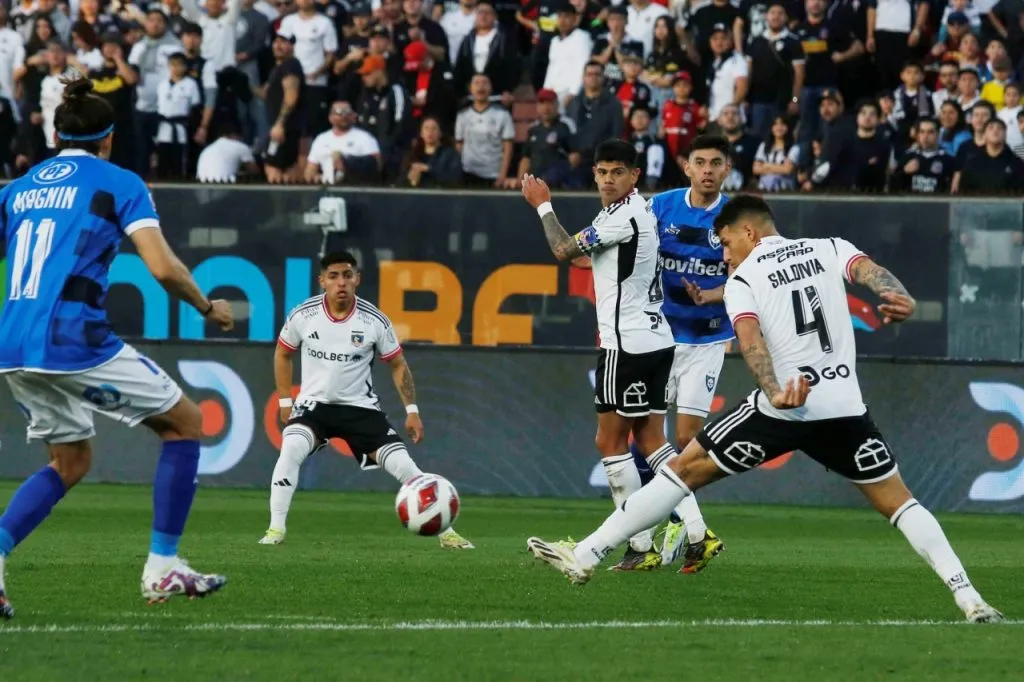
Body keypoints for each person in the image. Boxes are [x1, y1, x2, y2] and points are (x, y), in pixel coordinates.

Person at [526, 194, 1005, 625]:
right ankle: (969, 597)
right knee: (900, 502)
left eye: (726, 241)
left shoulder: (744, 278)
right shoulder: (830, 247)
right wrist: (897, 296)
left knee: (681, 469)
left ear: (749, 232)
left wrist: (775, 391)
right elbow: (873, 275)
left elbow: (751, 345)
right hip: (843, 408)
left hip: (783, 408)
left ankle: (587, 554)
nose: (723, 253)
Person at [0, 76, 235, 619]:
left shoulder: (18, 187)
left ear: (55, 135)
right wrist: (207, 307)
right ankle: (163, 567)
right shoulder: (118, 182)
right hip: (72, 339)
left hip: (13, 344)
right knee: (185, 422)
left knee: (70, 459)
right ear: (109, 139)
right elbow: (161, 267)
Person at [520, 139, 680, 572]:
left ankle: (638, 541)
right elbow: (590, 259)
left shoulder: (622, 214)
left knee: (609, 441)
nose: (608, 179)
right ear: (593, 173)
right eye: (602, 171)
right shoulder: (633, 211)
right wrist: (577, 249)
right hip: (655, 339)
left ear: (634, 176)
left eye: (617, 172)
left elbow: (562, 251)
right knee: (651, 440)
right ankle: (696, 531)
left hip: (624, 344)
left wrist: (542, 207)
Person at [258, 251, 474, 550]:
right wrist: (285, 401)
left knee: (405, 466)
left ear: (357, 279)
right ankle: (275, 530)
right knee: (291, 448)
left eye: (347, 275)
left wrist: (412, 410)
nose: (341, 282)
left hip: (360, 409)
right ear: (322, 281)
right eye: (333, 276)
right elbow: (283, 353)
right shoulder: (303, 315)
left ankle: (447, 533)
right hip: (313, 407)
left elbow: (397, 364)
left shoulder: (374, 321)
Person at [626, 133, 731, 572]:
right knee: (643, 437)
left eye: (716, 163)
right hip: (661, 337)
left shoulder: (738, 216)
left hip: (707, 339)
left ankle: (671, 528)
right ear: (686, 167)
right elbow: (636, 255)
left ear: (727, 169)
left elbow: (751, 277)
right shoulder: (660, 207)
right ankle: (670, 528)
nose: (707, 170)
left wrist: (711, 296)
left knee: (685, 440)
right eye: (700, 162)